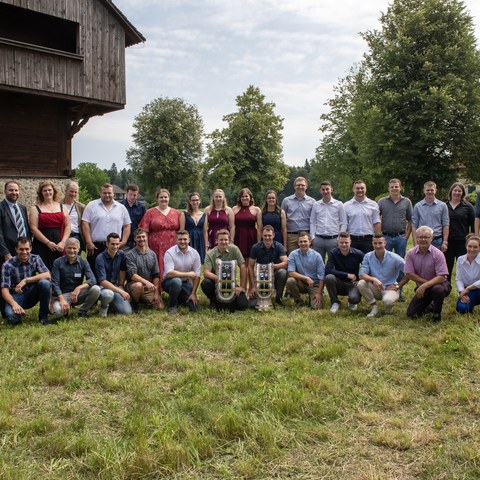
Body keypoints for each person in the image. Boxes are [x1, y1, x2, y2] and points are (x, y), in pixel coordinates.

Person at [399, 225, 451, 322]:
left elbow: (441, 277)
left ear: (432, 238)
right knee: (412, 314)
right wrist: (425, 285)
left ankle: (436, 314)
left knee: (437, 289)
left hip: (440, 285)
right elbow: (409, 274)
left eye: (426, 237)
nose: (423, 239)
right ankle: (430, 305)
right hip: (424, 287)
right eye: (420, 237)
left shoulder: (438, 254)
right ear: (416, 238)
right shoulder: (410, 253)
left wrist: (424, 286)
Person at [1, 236, 52, 325]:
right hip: (16, 296)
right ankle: (16, 315)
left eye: (27, 249)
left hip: (32, 293)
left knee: (45, 283)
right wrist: (14, 304)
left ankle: (43, 316)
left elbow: (47, 275)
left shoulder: (35, 258)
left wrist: (26, 280)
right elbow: (4, 290)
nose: (24, 252)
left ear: (31, 248)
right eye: (21, 249)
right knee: (11, 317)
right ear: (16, 249)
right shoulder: (7, 265)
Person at [82, 183, 131, 272]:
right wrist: (89, 242)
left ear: (113, 194)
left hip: (114, 246)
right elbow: (85, 223)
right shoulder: (91, 205)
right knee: (95, 274)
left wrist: (123, 242)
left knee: (113, 273)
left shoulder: (121, 208)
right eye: (104, 193)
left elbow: (127, 225)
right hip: (95, 246)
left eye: (109, 193)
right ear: (100, 193)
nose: (107, 195)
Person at [378, 178, 412, 299]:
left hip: (400, 238)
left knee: (400, 265)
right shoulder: (382, 202)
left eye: (396, 186)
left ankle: (398, 291)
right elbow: (377, 218)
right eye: (392, 187)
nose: (394, 189)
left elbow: (411, 220)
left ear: (400, 187)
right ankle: (383, 290)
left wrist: (407, 236)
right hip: (386, 237)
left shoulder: (406, 202)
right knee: (384, 264)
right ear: (388, 188)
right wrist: (379, 235)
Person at [51, 237, 102, 319]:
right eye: (69, 248)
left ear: (78, 249)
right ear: (65, 248)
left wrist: (78, 288)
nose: (72, 251)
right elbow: (55, 284)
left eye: (74, 248)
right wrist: (61, 299)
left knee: (96, 289)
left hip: (78, 294)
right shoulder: (57, 262)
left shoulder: (83, 262)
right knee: (58, 311)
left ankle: (83, 311)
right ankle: (65, 311)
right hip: (63, 294)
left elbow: (93, 280)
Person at [139, 188, 181, 283]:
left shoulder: (177, 213)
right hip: (155, 246)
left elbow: (180, 230)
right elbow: (144, 230)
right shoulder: (150, 212)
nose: (163, 199)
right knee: (156, 267)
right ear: (157, 199)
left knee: (171, 265)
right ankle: (156, 290)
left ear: (169, 198)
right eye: (161, 197)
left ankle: (172, 287)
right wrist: (145, 246)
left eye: (165, 197)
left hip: (172, 245)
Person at [201, 229, 249, 312]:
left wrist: (242, 287)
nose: (224, 242)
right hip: (216, 283)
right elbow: (206, 273)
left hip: (232, 283)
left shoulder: (234, 249)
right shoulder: (210, 253)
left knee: (243, 305)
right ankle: (213, 299)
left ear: (229, 240)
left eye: (226, 239)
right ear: (216, 241)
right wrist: (219, 278)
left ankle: (226, 300)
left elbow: (243, 266)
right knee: (205, 283)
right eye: (221, 240)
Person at [357, 234, 405, 317]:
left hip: (390, 288)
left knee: (387, 301)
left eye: (380, 243)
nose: (378, 246)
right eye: (375, 243)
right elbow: (361, 275)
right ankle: (374, 307)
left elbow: (409, 272)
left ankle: (389, 306)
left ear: (385, 243)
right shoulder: (368, 256)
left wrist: (398, 286)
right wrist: (374, 279)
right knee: (361, 283)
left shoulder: (395, 258)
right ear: (372, 244)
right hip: (376, 288)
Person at [30, 180, 71, 270]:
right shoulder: (35, 208)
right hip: (42, 245)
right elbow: (33, 228)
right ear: (41, 193)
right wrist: (48, 243)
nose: (48, 192)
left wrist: (63, 242)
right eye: (45, 190)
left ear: (53, 191)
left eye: (49, 190)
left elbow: (68, 226)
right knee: (45, 273)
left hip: (59, 245)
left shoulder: (62, 207)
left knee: (61, 271)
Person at [162, 230, 201, 314]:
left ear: (189, 240)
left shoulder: (195, 253)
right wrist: (188, 274)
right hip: (169, 282)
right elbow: (169, 273)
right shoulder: (169, 253)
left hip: (185, 283)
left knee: (193, 307)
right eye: (180, 239)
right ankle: (172, 305)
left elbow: (197, 276)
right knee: (176, 281)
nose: (183, 241)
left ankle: (180, 298)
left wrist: (193, 293)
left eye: (185, 239)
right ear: (176, 240)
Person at [248, 225, 288, 306]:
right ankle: (261, 294)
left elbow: (286, 262)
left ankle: (278, 298)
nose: (267, 238)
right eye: (265, 235)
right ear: (262, 235)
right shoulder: (255, 247)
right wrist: (252, 286)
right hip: (260, 276)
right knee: (252, 305)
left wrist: (272, 267)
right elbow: (250, 266)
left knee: (283, 272)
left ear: (273, 235)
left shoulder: (279, 246)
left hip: (274, 274)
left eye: (269, 235)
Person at [325, 232, 365, 313]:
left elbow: (366, 266)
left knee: (354, 299)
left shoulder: (358, 253)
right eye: (341, 242)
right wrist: (346, 275)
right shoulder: (333, 253)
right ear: (338, 242)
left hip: (353, 284)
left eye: (346, 242)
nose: (344, 245)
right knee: (329, 277)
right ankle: (335, 302)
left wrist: (359, 280)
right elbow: (328, 270)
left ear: (350, 242)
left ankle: (352, 302)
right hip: (339, 283)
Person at [125, 228, 164, 311]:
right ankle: (135, 303)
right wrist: (147, 282)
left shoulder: (152, 254)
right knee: (138, 285)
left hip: (147, 287)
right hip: (133, 285)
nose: (141, 239)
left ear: (146, 238)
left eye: (143, 237)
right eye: (139, 237)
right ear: (135, 239)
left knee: (160, 307)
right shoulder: (130, 255)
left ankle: (143, 299)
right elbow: (132, 275)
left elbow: (156, 274)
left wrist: (156, 292)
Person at [95, 232, 132, 316]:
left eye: (117, 244)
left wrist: (121, 285)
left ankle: (112, 304)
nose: (115, 247)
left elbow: (122, 269)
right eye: (112, 244)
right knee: (108, 294)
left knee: (127, 312)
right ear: (107, 244)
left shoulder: (121, 254)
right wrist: (120, 292)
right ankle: (104, 306)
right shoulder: (100, 258)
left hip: (115, 286)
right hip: (102, 288)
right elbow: (102, 281)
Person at [285, 231, 325, 309]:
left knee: (317, 307)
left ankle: (314, 296)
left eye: (305, 241)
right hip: (301, 283)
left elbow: (322, 276)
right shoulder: (293, 254)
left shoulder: (317, 256)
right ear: (298, 243)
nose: (303, 243)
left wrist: (319, 293)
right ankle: (298, 301)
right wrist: (306, 278)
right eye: (301, 241)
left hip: (314, 284)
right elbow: (291, 272)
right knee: (290, 281)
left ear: (310, 242)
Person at [444, 182, 475, 282]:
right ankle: (446, 288)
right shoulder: (444, 206)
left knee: (463, 267)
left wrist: (472, 239)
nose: (457, 192)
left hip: (462, 242)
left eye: (459, 191)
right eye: (455, 190)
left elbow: (473, 225)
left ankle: (464, 290)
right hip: (447, 242)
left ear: (462, 193)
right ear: (451, 192)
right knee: (446, 267)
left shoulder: (468, 207)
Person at [310, 181, 347, 261]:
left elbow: (344, 222)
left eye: (327, 189)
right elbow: (312, 222)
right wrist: (313, 237)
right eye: (323, 189)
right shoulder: (316, 204)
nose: (325, 191)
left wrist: (339, 238)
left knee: (334, 263)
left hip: (333, 239)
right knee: (317, 263)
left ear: (331, 189)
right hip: (319, 239)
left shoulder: (339, 204)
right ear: (320, 191)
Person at [344, 180, 381, 253]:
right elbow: (344, 224)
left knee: (368, 263)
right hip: (352, 240)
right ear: (353, 189)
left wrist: (377, 239)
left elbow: (377, 222)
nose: (360, 190)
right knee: (352, 263)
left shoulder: (373, 204)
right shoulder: (346, 206)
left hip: (368, 240)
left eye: (362, 188)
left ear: (365, 189)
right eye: (357, 188)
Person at [0, 181, 31, 270]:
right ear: (5, 191)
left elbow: (26, 229)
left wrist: (29, 248)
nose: (14, 193)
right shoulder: (1, 207)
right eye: (11, 190)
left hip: (24, 251)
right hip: (8, 251)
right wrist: (5, 253)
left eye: (16, 190)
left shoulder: (22, 208)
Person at [411, 181, 449, 251]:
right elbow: (414, 225)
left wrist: (445, 242)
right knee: (421, 261)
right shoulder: (418, 206)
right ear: (424, 191)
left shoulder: (443, 206)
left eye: (432, 190)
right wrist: (415, 242)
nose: (430, 192)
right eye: (428, 190)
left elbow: (446, 224)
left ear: (435, 190)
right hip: (422, 240)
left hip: (437, 240)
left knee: (436, 261)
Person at [281, 177, 315, 254]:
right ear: (294, 186)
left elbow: (314, 221)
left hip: (306, 235)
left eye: (302, 185)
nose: (300, 187)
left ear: (306, 186)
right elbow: (283, 219)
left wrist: (312, 238)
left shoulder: (312, 202)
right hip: (291, 236)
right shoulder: (286, 201)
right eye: (298, 185)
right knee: (292, 259)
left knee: (306, 259)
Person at [232, 188, 262, 262]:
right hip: (238, 236)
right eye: (242, 196)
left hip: (251, 237)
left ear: (250, 197)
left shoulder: (256, 209)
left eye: (246, 196)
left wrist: (259, 243)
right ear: (239, 198)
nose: (244, 198)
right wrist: (231, 240)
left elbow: (259, 228)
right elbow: (232, 226)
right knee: (240, 261)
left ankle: (249, 274)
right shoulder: (234, 209)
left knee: (250, 262)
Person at [455, 234, 480, 314]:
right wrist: (462, 292)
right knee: (462, 309)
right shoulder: (460, 259)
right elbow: (458, 278)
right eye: (469, 246)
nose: (472, 249)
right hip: (468, 291)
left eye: (475, 247)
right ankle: (470, 305)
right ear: (466, 246)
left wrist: (468, 288)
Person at [179, 192, 206, 263]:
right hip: (189, 240)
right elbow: (181, 231)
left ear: (199, 201)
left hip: (200, 240)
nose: (195, 202)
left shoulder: (204, 215)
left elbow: (205, 232)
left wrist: (206, 246)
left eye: (197, 200)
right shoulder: (184, 214)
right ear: (190, 201)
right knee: (188, 262)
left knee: (199, 263)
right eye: (193, 200)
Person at [120, 184, 146, 252]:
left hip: (138, 241)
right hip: (123, 241)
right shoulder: (119, 206)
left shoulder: (141, 207)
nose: (132, 197)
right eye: (130, 194)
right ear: (126, 193)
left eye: (134, 195)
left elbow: (144, 224)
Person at [62, 181, 86, 251]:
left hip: (76, 236)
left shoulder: (81, 207)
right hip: (63, 236)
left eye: (75, 192)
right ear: (65, 191)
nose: (73, 194)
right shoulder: (58, 205)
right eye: (71, 191)